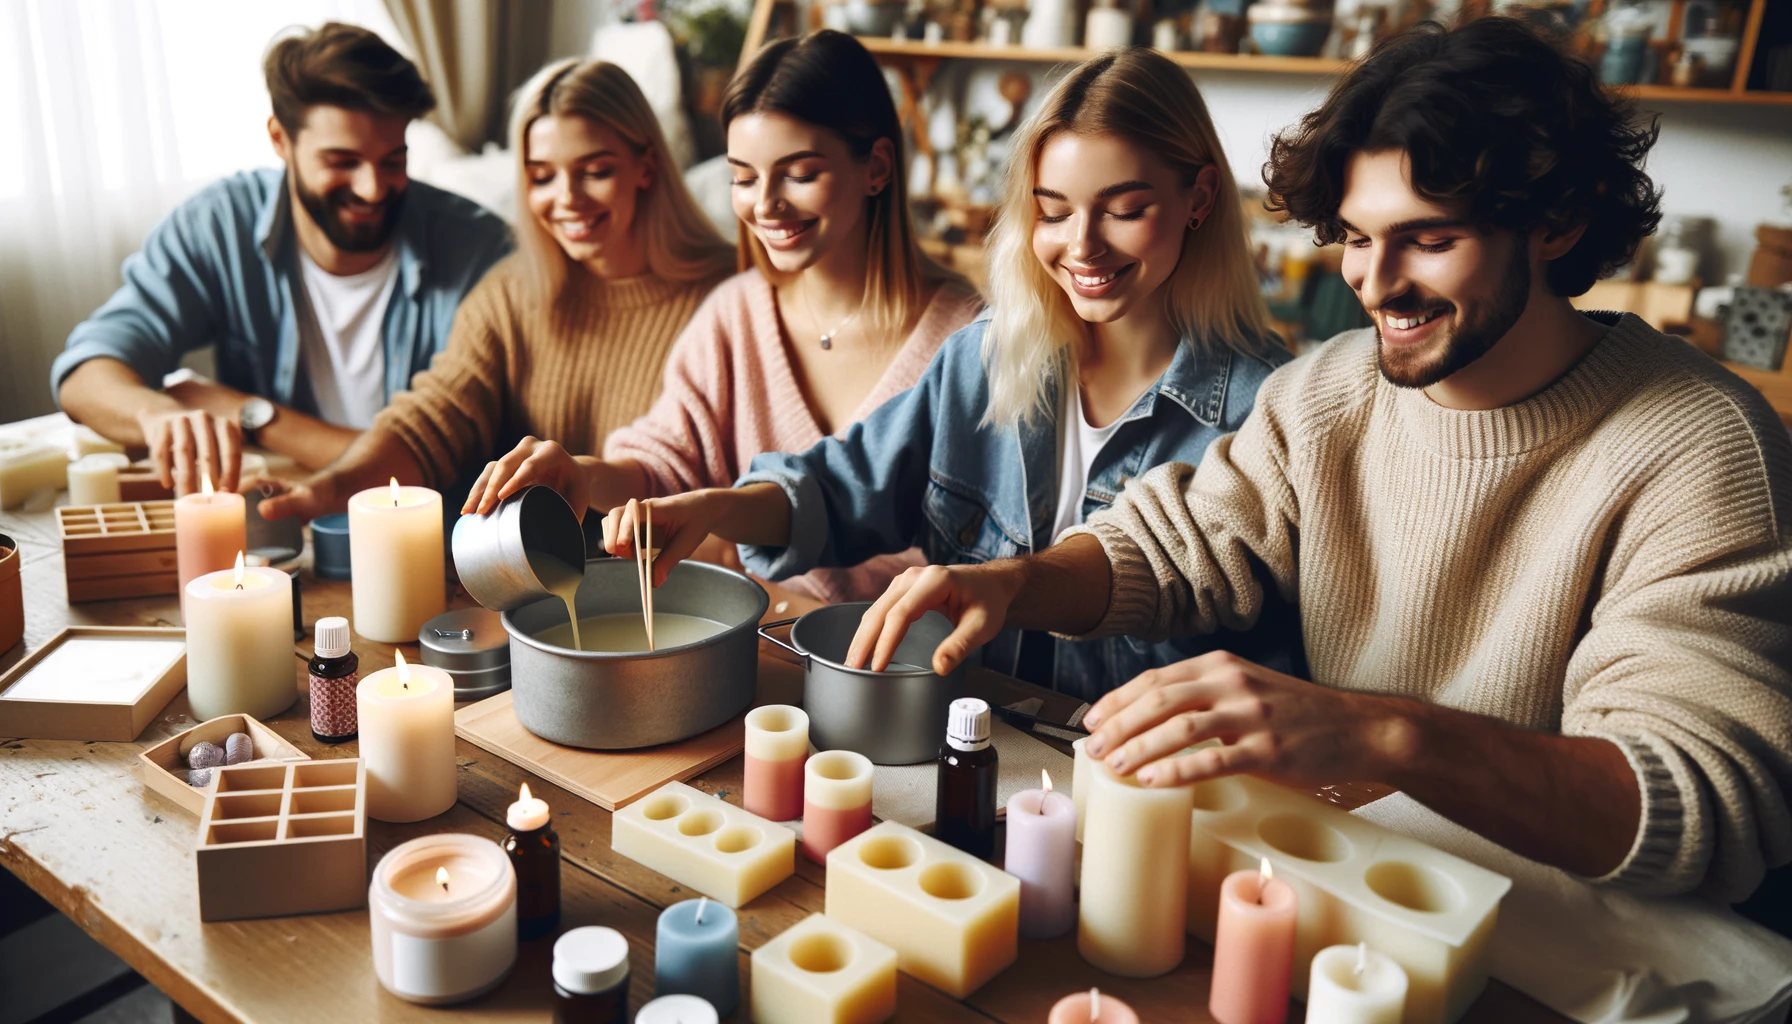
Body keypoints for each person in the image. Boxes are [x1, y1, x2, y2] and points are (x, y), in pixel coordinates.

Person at [847, 17, 1792, 901]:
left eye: (1429, 240)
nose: (1377, 284)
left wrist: (1377, 732)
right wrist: (1016, 582)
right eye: (1357, 238)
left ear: (1558, 224)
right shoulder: (1330, 389)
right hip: (1355, 887)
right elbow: (1175, 545)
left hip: (1568, 933)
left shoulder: (1701, 446)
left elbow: (1707, 795)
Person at [593, 47, 1296, 698]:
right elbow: (837, 488)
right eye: (1053, 213)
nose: (1082, 245)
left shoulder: (1267, 408)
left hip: (1145, 773)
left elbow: (1275, 656)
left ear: (1200, 197)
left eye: (1124, 210)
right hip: (974, 745)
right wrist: (711, 507)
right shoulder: (983, 358)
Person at [467, 31, 982, 607]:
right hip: (766, 638)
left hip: (919, 652)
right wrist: (582, 477)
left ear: (877, 167)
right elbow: (660, 469)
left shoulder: (970, 340)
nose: (765, 204)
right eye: (744, 177)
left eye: (799, 173)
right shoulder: (734, 313)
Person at [257, 59, 736, 521]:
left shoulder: (729, 296)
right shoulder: (510, 293)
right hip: (528, 570)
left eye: (595, 171)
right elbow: (432, 420)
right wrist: (329, 490)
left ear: (646, 167)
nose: (568, 198)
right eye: (542, 176)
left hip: (673, 570)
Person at [52, 22, 510, 496]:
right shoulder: (220, 224)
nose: (372, 188)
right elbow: (85, 374)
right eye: (342, 161)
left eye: (393, 161)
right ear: (280, 139)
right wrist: (157, 416)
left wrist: (254, 416)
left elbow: (441, 466)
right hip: (275, 521)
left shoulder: (480, 252)